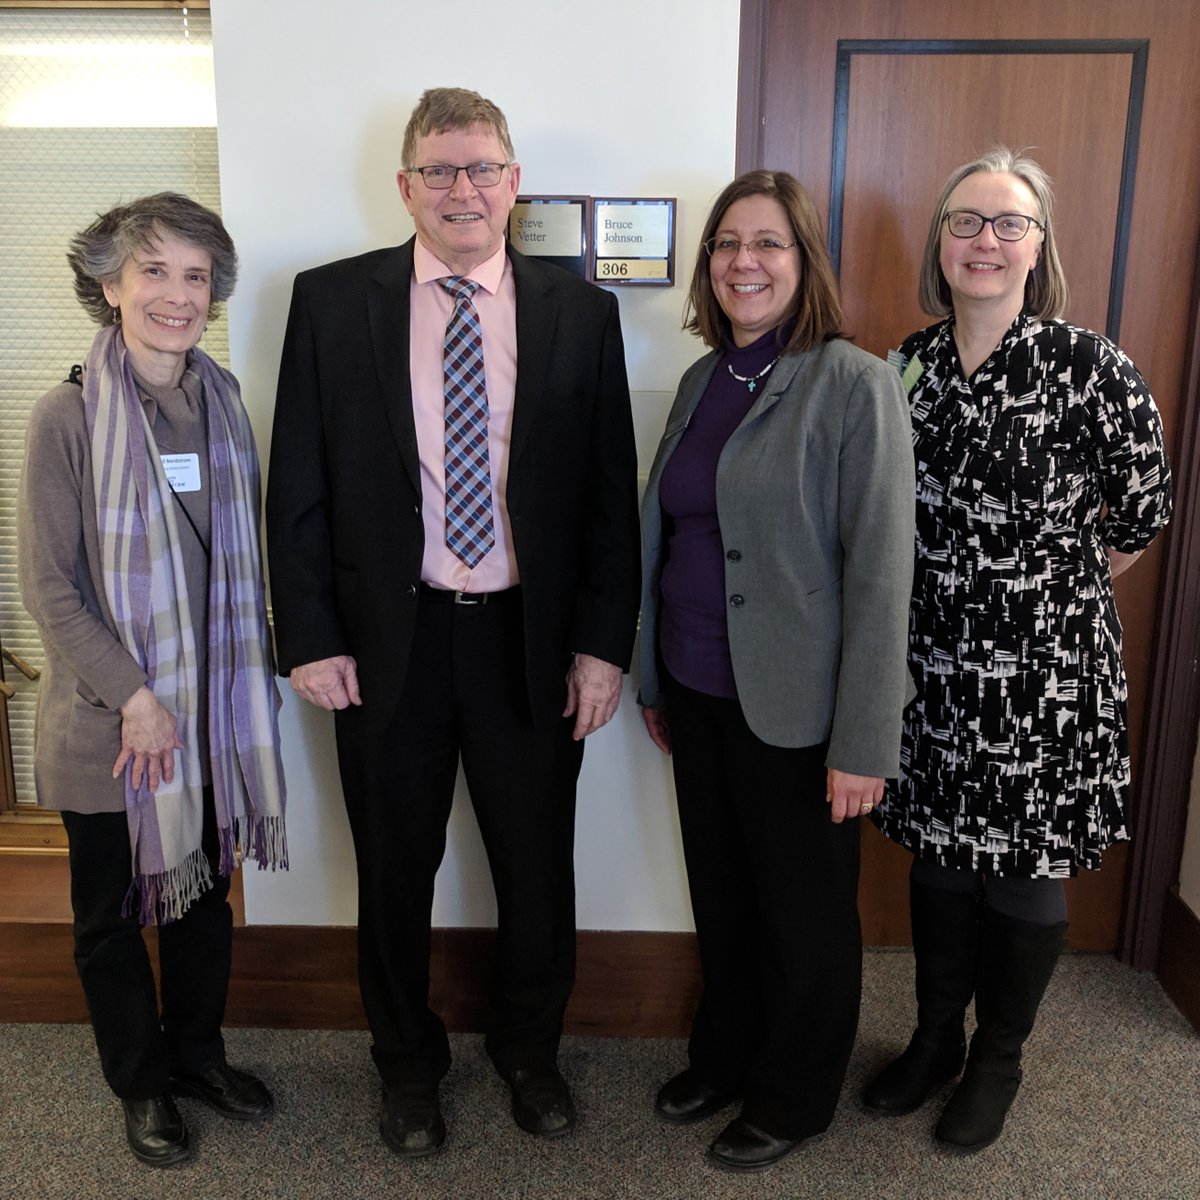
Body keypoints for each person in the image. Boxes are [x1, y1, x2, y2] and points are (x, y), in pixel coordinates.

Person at [265, 87, 640, 1157]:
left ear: (515, 182)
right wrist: (312, 634)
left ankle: (530, 1051)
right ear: (406, 187)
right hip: (392, 646)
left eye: (482, 168)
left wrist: (604, 645)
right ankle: (406, 1065)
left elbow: (610, 494)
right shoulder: (335, 303)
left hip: (530, 642)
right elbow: (298, 480)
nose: (462, 188)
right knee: (391, 871)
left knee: (536, 863)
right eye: (439, 170)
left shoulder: (580, 312)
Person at [864, 147, 1172, 1151]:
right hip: (932, 671)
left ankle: (999, 1057)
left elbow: (1141, 515)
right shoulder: (904, 367)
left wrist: (1041, 596)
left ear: (1040, 247)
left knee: (1023, 871)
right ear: (939, 242)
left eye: (1008, 224)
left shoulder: (1092, 369)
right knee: (942, 864)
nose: (984, 242)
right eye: (965, 221)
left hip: (1046, 679)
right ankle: (934, 1040)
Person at [638, 170, 916, 1172]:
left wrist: (864, 743)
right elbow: (663, 535)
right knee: (721, 890)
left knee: (802, 911)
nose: (743, 263)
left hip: (801, 709)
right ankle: (727, 1054)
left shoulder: (852, 381)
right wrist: (651, 676)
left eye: (768, 245)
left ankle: (795, 1095)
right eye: (726, 245)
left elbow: (884, 574)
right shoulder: (703, 380)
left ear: (803, 264)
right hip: (697, 687)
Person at [17, 193, 288, 1167]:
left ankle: (197, 1056)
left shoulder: (219, 405)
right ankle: (141, 1086)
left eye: (195, 273)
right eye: (154, 271)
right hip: (111, 728)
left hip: (210, 719)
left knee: (202, 901)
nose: (178, 294)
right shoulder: (69, 417)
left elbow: (234, 563)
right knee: (111, 918)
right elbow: (50, 587)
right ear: (108, 284)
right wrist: (134, 698)